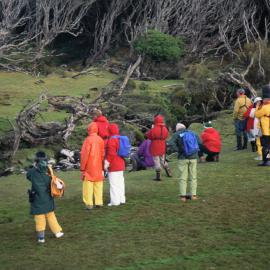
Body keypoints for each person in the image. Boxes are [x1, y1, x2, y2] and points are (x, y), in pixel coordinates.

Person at [26, 151, 64, 243]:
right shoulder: (49, 170)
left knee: (39, 218)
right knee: (51, 215)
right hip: (47, 196)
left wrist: (33, 167)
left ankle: (41, 237)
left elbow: (28, 176)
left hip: (37, 198)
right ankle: (57, 232)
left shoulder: (32, 172)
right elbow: (53, 180)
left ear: (36, 160)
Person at [168, 123, 200, 202]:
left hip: (183, 158)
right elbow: (199, 142)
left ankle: (183, 197)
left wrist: (178, 150)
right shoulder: (193, 133)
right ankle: (193, 195)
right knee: (193, 177)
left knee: (183, 177)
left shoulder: (176, 134)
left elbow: (170, 143)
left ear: (177, 129)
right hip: (193, 158)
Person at [80, 122, 105, 209]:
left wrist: (83, 168)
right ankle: (99, 202)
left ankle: (89, 203)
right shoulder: (100, 139)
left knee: (88, 185)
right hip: (98, 165)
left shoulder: (88, 140)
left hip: (89, 166)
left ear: (89, 130)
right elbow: (102, 154)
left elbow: (84, 155)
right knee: (98, 184)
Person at [105, 123, 126, 206]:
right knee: (121, 183)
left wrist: (106, 163)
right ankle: (122, 199)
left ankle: (115, 201)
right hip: (121, 163)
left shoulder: (111, 140)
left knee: (113, 184)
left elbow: (111, 154)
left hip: (114, 165)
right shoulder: (120, 138)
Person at [146, 115, 172, 181]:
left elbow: (149, 136)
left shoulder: (154, 128)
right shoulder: (165, 128)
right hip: (162, 144)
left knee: (156, 160)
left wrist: (151, 129)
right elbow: (167, 135)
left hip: (155, 145)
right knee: (162, 159)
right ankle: (168, 171)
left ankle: (158, 176)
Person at [255, 85, 270, 166]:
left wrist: (258, 106)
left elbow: (256, 114)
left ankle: (266, 160)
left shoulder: (264, 107)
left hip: (266, 130)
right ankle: (268, 160)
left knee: (265, 146)